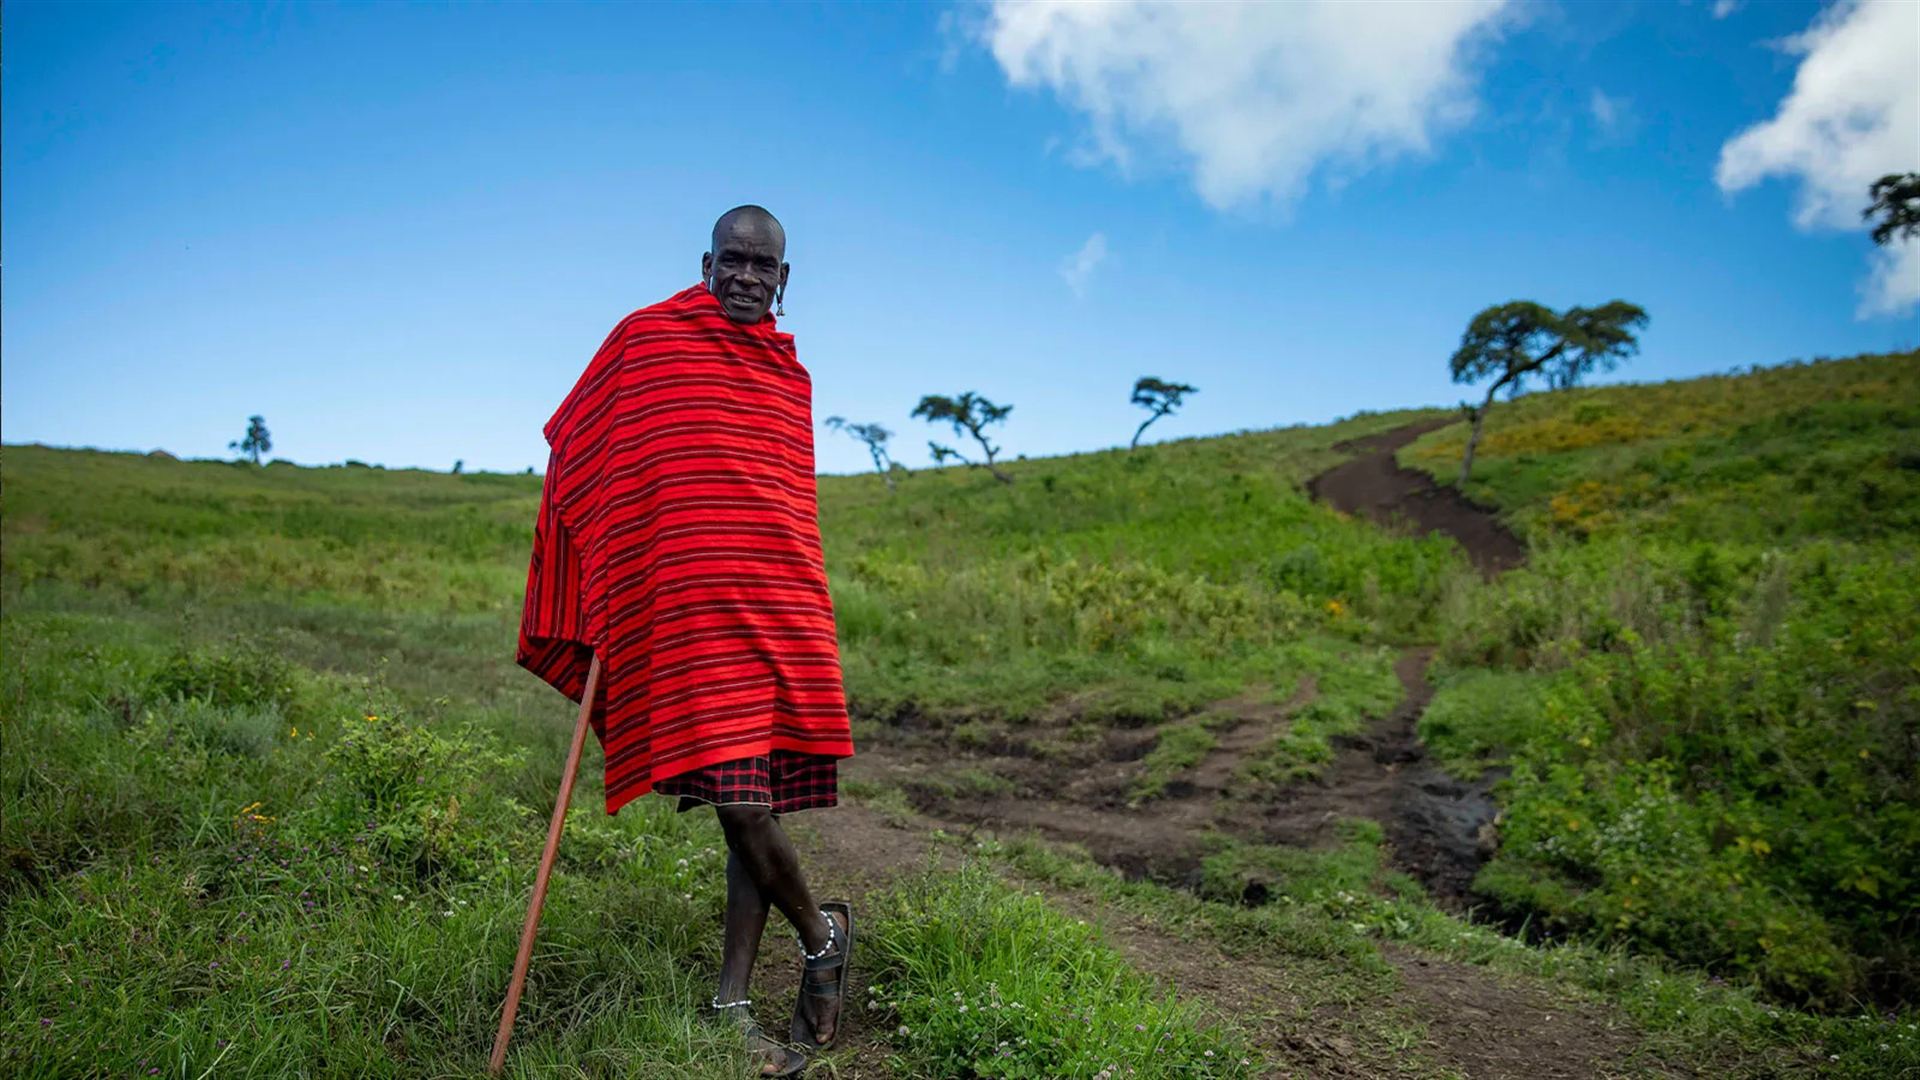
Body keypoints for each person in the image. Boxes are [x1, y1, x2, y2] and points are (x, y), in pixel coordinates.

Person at [517, 205, 854, 1077]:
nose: (748, 277)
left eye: (764, 266)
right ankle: (819, 943)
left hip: (773, 608)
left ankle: (749, 988)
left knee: (750, 804)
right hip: (687, 617)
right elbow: (577, 442)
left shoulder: (789, 376)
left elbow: (781, 504)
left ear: (786, 280)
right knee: (740, 808)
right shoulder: (647, 342)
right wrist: (604, 559)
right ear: (707, 263)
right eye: (733, 261)